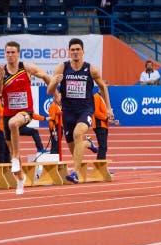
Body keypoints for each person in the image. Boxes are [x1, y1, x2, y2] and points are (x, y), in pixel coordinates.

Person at [47, 38, 114, 184]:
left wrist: (108, 108)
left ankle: (75, 173)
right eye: (73, 50)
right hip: (68, 111)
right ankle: (89, 144)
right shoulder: (62, 67)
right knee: (74, 147)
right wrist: (55, 86)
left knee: (78, 134)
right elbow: (50, 90)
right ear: (69, 52)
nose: (75, 52)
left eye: (78, 49)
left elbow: (103, 87)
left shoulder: (92, 69)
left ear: (83, 51)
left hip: (86, 110)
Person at [0, 41, 51, 195]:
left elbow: (45, 76)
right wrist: (0, 79)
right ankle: (20, 180)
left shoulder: (26, 68)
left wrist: (55, 93)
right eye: (7, 52)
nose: (10, 55)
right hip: (8, 113)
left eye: (13, 52)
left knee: (13, 124)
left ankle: (16, 159)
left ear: (18, 53)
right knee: (11, 147)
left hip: (26, 112)